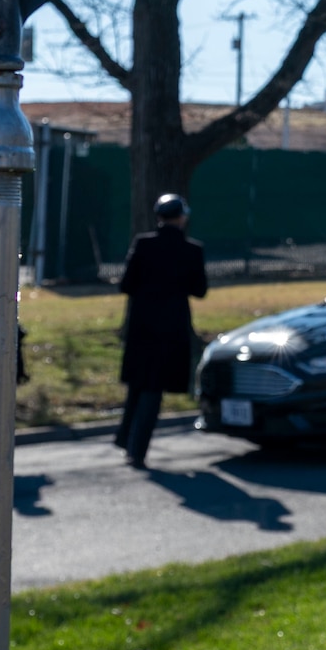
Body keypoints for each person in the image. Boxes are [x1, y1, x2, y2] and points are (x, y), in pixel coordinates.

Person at [115, 193, 208, 468]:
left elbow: (126, 285)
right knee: (154, 388)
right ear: (181, 217)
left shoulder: (143, 244)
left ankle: (125, 438)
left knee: (138, 384)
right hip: (172, 326)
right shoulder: (192, 250)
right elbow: (199, 290)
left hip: (142, 325)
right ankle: (137, 448)